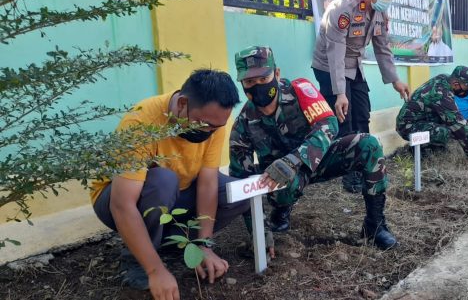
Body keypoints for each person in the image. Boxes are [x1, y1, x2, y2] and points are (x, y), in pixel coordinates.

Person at [90, 70, 245, 299]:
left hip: (178, 192)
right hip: (116, 200)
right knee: (163, 180)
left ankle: (174, 243)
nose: (210, 133)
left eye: (216, 128)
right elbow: (122, 205)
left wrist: (204, 245)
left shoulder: (214, 122)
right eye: (204, 125)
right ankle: (139, 260)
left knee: (237, 193)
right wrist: (155, 271)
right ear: (182, 104)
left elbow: (207, 185)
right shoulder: (142, 122)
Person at [230, 46, 397, 250]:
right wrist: (259, 233)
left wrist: (294, 160)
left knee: (368, 145)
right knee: (281, 186)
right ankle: (281, 210)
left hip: (319, 159)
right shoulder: (243, 124)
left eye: (263, 79)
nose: (257, 86)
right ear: (242, 84)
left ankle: (375, 226)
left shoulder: (299, 90)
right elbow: (241, 179)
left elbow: (329, 124)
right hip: (282, 180)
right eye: (249, 82)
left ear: (277, 73)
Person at [312, 0, 410, 193]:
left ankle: (364, 164)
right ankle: (348, 174)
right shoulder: (343, 8)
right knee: (344, 119)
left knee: (363, 116)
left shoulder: (380, 12)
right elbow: (336, 52)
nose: (387, 1)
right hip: (329, 66)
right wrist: (340, 92)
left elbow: (382, 47)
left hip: (354, 66)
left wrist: (395, 80)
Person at [395, 65, 468, 160]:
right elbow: (459, 125)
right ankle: (420, 149)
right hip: (407, 126)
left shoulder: (445, 79)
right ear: (456, 84)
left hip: (419, 119)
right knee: (445, 132)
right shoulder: (441, 94)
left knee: (447, 122)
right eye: (466, 87)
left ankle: (433, 146)